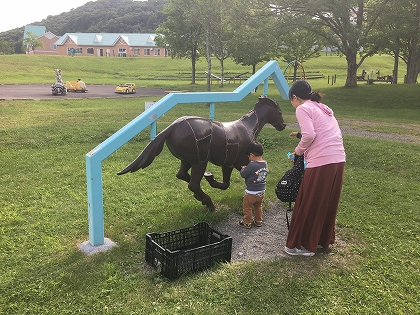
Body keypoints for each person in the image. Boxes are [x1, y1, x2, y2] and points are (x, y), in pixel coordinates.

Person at [284, 80, 346, 256]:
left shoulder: (303, 108)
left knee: (309, 200)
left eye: (291, 100)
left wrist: (298, 151)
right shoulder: (322, 107)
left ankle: (303, 246)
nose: (292, 104)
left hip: (322, 161)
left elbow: (310, 135)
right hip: (338, 159)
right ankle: (320, 240)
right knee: (325, 201)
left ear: (295, 97)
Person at [238, 142, 268, 228]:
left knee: (247, 207)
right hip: (262, 191)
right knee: (258, 206)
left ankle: (247, 222)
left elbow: (244, 174)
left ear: (251, 155)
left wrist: (243, 169)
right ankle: (258, 221)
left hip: (251, 192)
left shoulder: (251, 164)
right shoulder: (265, 163)